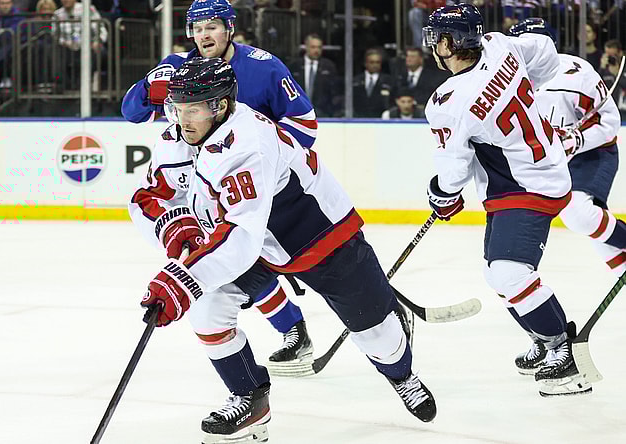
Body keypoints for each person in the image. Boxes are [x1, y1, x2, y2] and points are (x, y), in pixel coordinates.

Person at [130, 57, 436, 443]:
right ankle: (249, 400)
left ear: (220, 105)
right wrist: (176, 228)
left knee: (380, 339)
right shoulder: (180, 135)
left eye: (192, 109)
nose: (182, 119)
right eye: (176, 108)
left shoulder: (248, 144)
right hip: (256, 247)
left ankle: (402, 373)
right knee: (208, 310)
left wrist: (183, 279)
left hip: (319, 238)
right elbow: (149, 196)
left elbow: (241, 234)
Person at [122, 0, 319, 373]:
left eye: (211, 26)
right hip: (206, 189)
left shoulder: (263, 68)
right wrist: (150, 85)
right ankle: (294, 329)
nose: (203, 35)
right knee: (231, 265)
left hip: (257, 184)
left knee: (302, 259)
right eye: (196, 29)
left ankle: (365, 309)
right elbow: (131, 112)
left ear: (229, 27)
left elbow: (305, 127)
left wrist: (258, 152)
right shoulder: (180, 68)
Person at [422, 3, 593, 397]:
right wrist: (536, 81)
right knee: (496, 273)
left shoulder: (448, 102)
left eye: (438, 38)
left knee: (510, 273)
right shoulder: (501, 45)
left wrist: (441, 195)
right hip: (525, 177)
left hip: (527, 185)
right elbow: (544, 51)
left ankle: (564, 355)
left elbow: (453, 171)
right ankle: (543, 338)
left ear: (451, 42)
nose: (434, 45)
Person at [508, 18, 624, 375]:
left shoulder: (578, 71)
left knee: (578, 212)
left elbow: (608, 122)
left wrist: (576, 139)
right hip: (536, 168)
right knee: (507, 265)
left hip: (590, 156)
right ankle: (543, 337)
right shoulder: (504, 82)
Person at [288, 33, 338, 117]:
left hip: (322, 114)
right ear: (306, 47)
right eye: (313, 47)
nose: (316, 50)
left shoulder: (328, 66)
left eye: (319, 47)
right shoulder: (294, 66)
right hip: (297, 113)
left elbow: (333, 92)